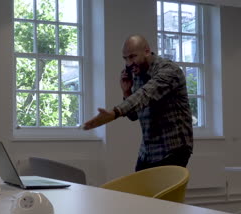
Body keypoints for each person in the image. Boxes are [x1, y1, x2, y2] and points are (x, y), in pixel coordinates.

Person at [83, 35, 193, 171]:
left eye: (132, 56)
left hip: (173, 147)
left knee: (161, 192)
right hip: (148, 151)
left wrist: (115, 113)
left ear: (147, 51)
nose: (129, 63)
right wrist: (126, 92)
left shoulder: (169, 71)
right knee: (137, 191)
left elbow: (145, 95)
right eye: (125, 58)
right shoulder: (137, 73)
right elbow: (134, 115)